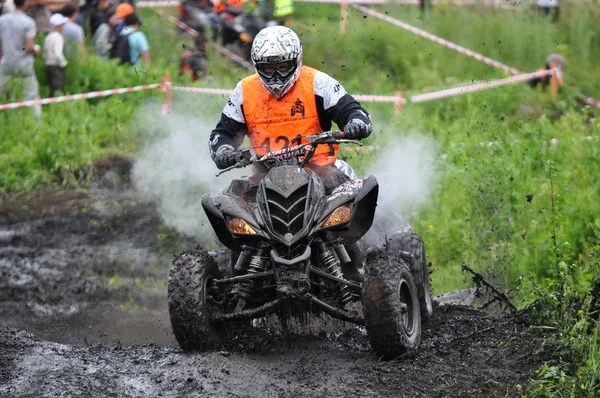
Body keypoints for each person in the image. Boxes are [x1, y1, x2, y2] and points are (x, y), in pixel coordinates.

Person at [209, 26, 373, 195]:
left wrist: (356, 123)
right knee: (229, 202)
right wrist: (223, 150)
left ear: (296, 60)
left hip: (321, 171)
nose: (276, 76)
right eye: (268, 68)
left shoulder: (318, 83)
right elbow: (223, 133)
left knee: (357, 197)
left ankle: (390, 221)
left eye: (282, 66)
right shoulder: (244, 91)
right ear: (256, 65)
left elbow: (350, 110)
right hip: (265, 178)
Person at [0, 0, 42, 117]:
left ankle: (6, 119)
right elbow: (29, 46)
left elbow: (0, 45)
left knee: (3, 94)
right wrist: (36, 50)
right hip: (24, 64)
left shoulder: (2, 20)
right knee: (31, 95)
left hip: (6, 62)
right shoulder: (28, 22)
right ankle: (36, 123)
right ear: (26, 4)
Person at [43, 12, 68, 96]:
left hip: (48, 64)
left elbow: (45, 52)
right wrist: (63, 63)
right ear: (60, 25)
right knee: (58, 88)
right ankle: (56, 106)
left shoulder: (48, 36)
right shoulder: (58, 37)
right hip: (56, 65)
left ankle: (49, 106)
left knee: (50, 87)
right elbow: (58, 53)